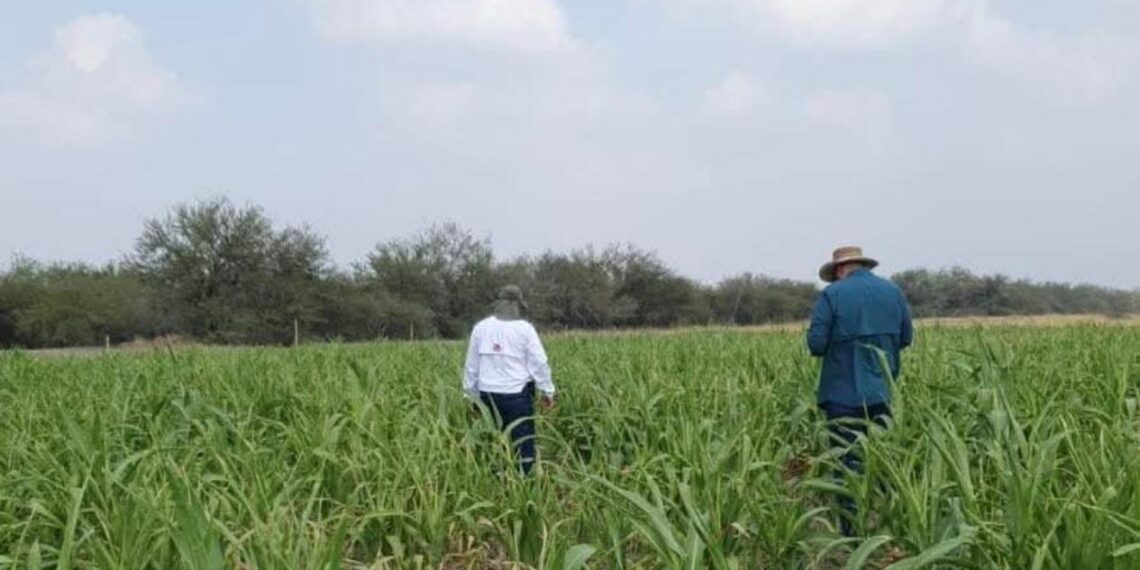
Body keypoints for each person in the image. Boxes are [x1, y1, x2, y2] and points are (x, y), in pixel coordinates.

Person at [806, 246, 913, 535]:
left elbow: (816, 345)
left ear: (840, 269)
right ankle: (888, 528)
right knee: (881, 459)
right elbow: (906, 338)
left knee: (847, 465)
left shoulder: (833, 295)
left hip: (842, 395)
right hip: (882, 393)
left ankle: (852, 539)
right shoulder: (893, 292)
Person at [463, 285, 555, 475]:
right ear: (514, 304)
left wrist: (471, 397)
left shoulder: (481, 328)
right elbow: (539, 363)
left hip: (487, 395)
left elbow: (471, 367)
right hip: (516, 397)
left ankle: (498, 477)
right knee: (523, 441)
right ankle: (522, 481)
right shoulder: (525, 330)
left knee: (495, 440)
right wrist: (547, 391)